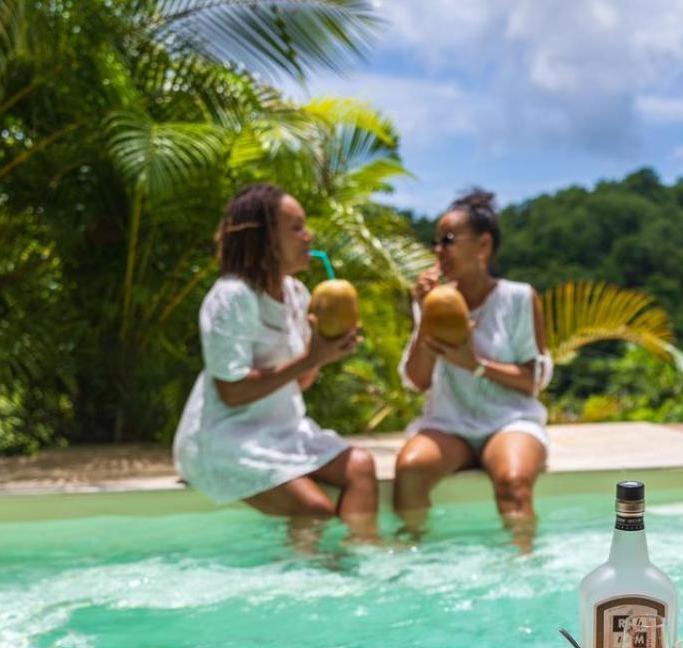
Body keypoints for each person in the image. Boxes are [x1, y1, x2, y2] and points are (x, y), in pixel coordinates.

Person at [173, 183, 379, 542]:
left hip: (281, 430)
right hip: (226, 438)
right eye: (296, 227)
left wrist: (323, 353)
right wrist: (309, 358)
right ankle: (305, 582)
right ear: (265, 239)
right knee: (314, 510)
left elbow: (300, 381)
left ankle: (363, 558)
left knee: (361, 466)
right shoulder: (232, 297)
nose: (308, 235)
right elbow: (232, 391)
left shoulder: (297, 294)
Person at [395, 189, 551, 547]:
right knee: (410, 470)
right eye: (436, 242)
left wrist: (474, 364)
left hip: (510, 420)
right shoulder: (433, 300)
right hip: (449, 424)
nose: (438, 250)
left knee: (513, 481)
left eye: (448, 240)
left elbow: (534, 381)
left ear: (483, 246)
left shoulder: (518, 298)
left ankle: (522, 565)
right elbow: (417, 381)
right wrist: (424, 315)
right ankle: (415, 564)